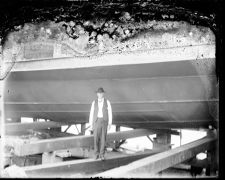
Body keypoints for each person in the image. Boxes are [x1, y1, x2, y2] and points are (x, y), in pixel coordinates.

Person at [87, 87, 112, 160]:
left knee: (103, 139)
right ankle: (96, 154)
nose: (100, 94)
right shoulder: (94, 102)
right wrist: (90, 124)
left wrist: (110, 123)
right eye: (99, 93)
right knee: (96, 139)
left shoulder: (107, 102)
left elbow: (110, 113)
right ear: (97, 94)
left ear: (103, 94)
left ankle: (102, 154)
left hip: (104, 122)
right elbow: (91, 113)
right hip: (96, 121)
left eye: (101, 93)